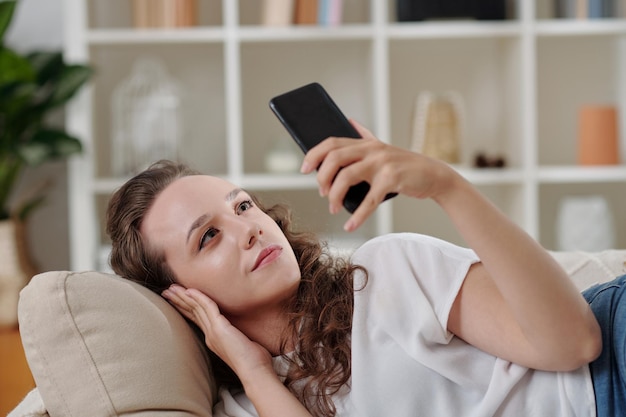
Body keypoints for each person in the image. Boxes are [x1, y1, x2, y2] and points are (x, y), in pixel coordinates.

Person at [105, 120, 624, 417]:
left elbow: (575, 345)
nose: (251, 228)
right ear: (179, 295)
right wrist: (257, 371)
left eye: (243, 206)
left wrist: (447, 186)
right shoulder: (245, 403)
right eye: (209, 236)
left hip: (605, 376)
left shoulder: (381, 272)